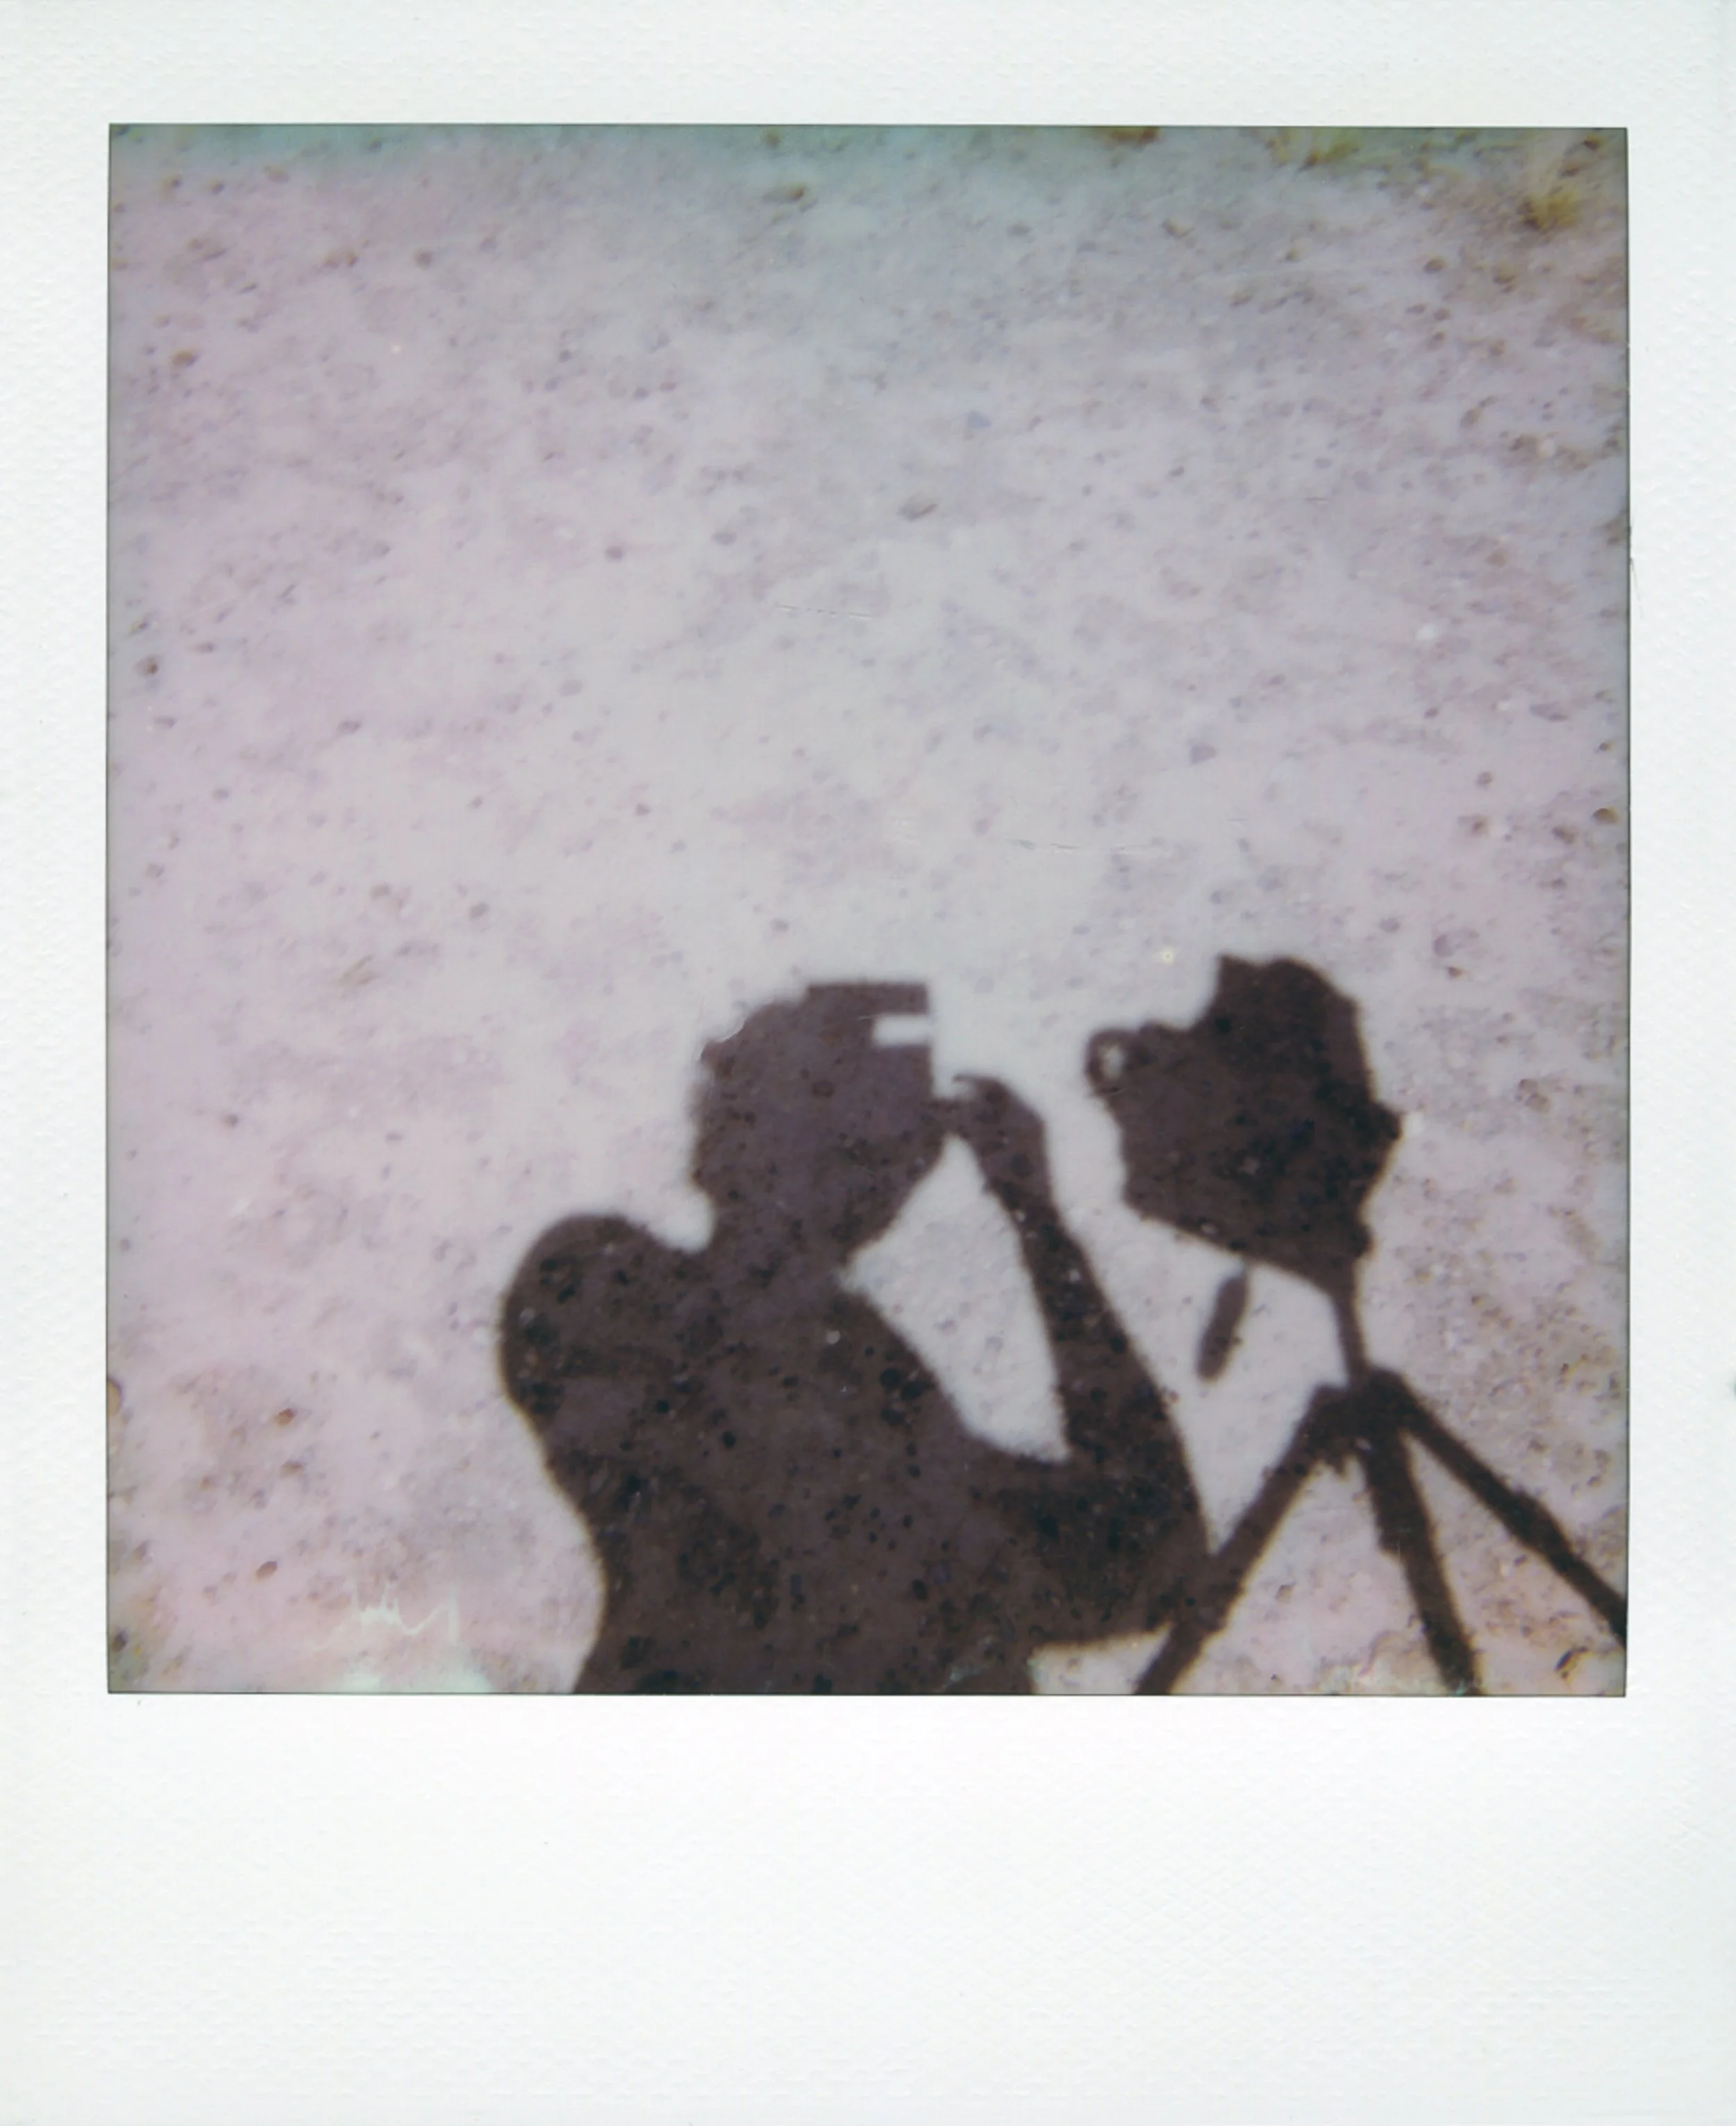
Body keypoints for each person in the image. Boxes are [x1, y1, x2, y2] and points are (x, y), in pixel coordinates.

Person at [500, 983, 1207, 1692]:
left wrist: (1037, 1222)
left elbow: (1151, 1553)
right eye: (804, 1095)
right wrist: (1035, 1222)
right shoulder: (603, 1297)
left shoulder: (890, 1438)